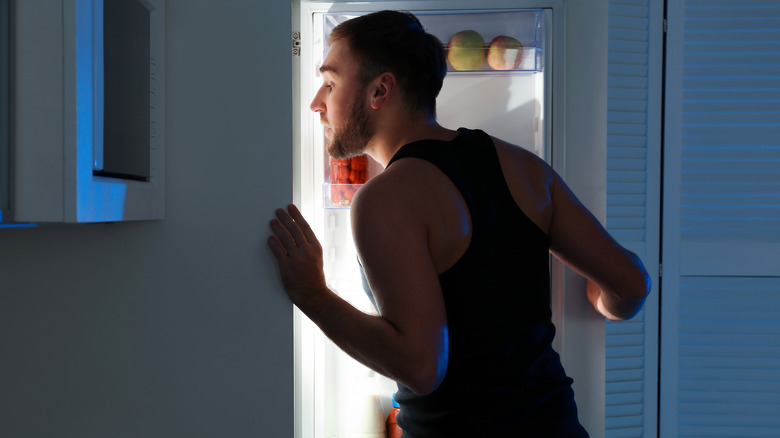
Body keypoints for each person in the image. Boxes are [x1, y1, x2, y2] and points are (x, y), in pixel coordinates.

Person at [268, 10, 650, 437]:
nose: (317, 102)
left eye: (331, 83)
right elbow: (632, 285)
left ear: (381, 90)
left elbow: (421, 365)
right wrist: (600, 298)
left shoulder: (384, 198)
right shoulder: (522, 166)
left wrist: (313, 295)